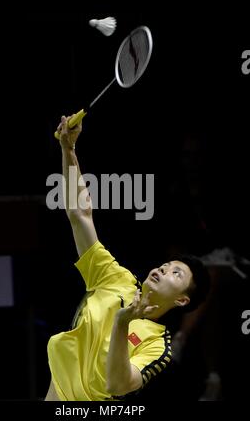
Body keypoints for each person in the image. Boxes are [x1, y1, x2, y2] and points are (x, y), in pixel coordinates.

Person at [45, 115, 210, 401]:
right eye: (167, 265)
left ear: (182, 300)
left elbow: (118, 386)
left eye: (176, 274)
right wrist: (68, 150)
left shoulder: (158, 345)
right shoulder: (114, 278)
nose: (163, 269)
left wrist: (122, 322)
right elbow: (79, 214)